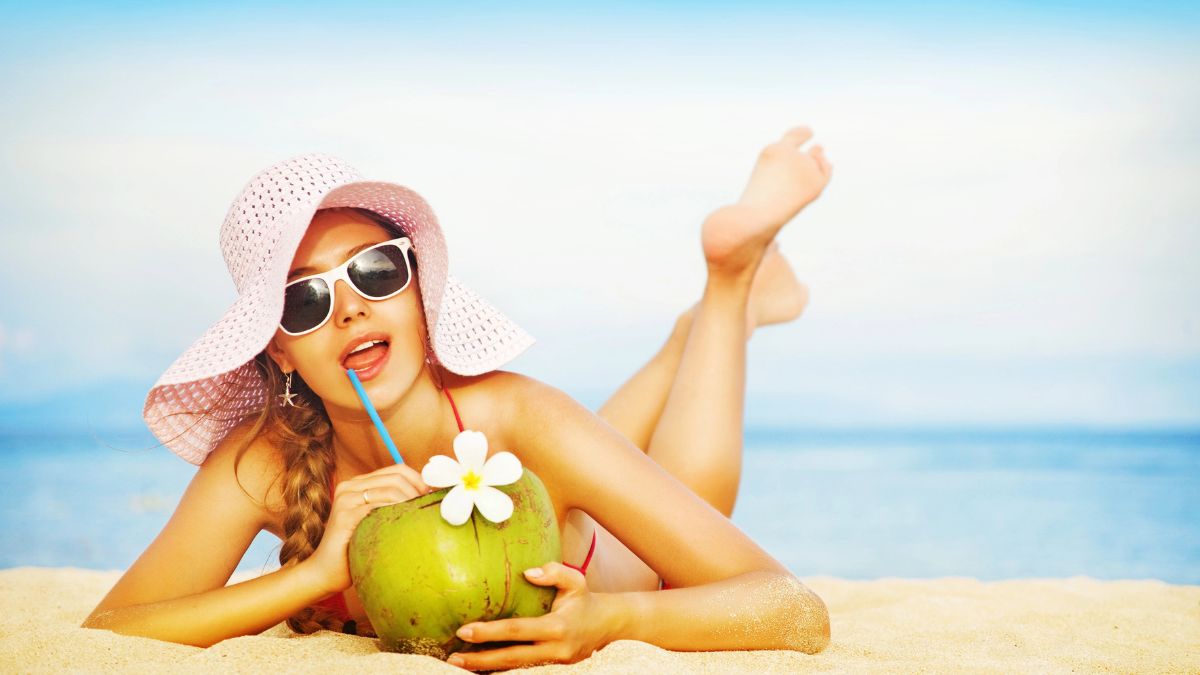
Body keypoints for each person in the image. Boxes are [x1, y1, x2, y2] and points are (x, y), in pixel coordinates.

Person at [82, 125, 833, 670]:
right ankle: (687, 333)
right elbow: (112, 627)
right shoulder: (264, 459)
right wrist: (313, 575)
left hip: (626, 566)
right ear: (276, 344)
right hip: (545, 464)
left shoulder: (518, 416)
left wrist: (613, 618)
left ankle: (727, 287)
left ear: (417, 292)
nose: (347, 310)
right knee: (592, 448)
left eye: (375, 272)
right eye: (304, 300)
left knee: (687, 483)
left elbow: (791, 606)